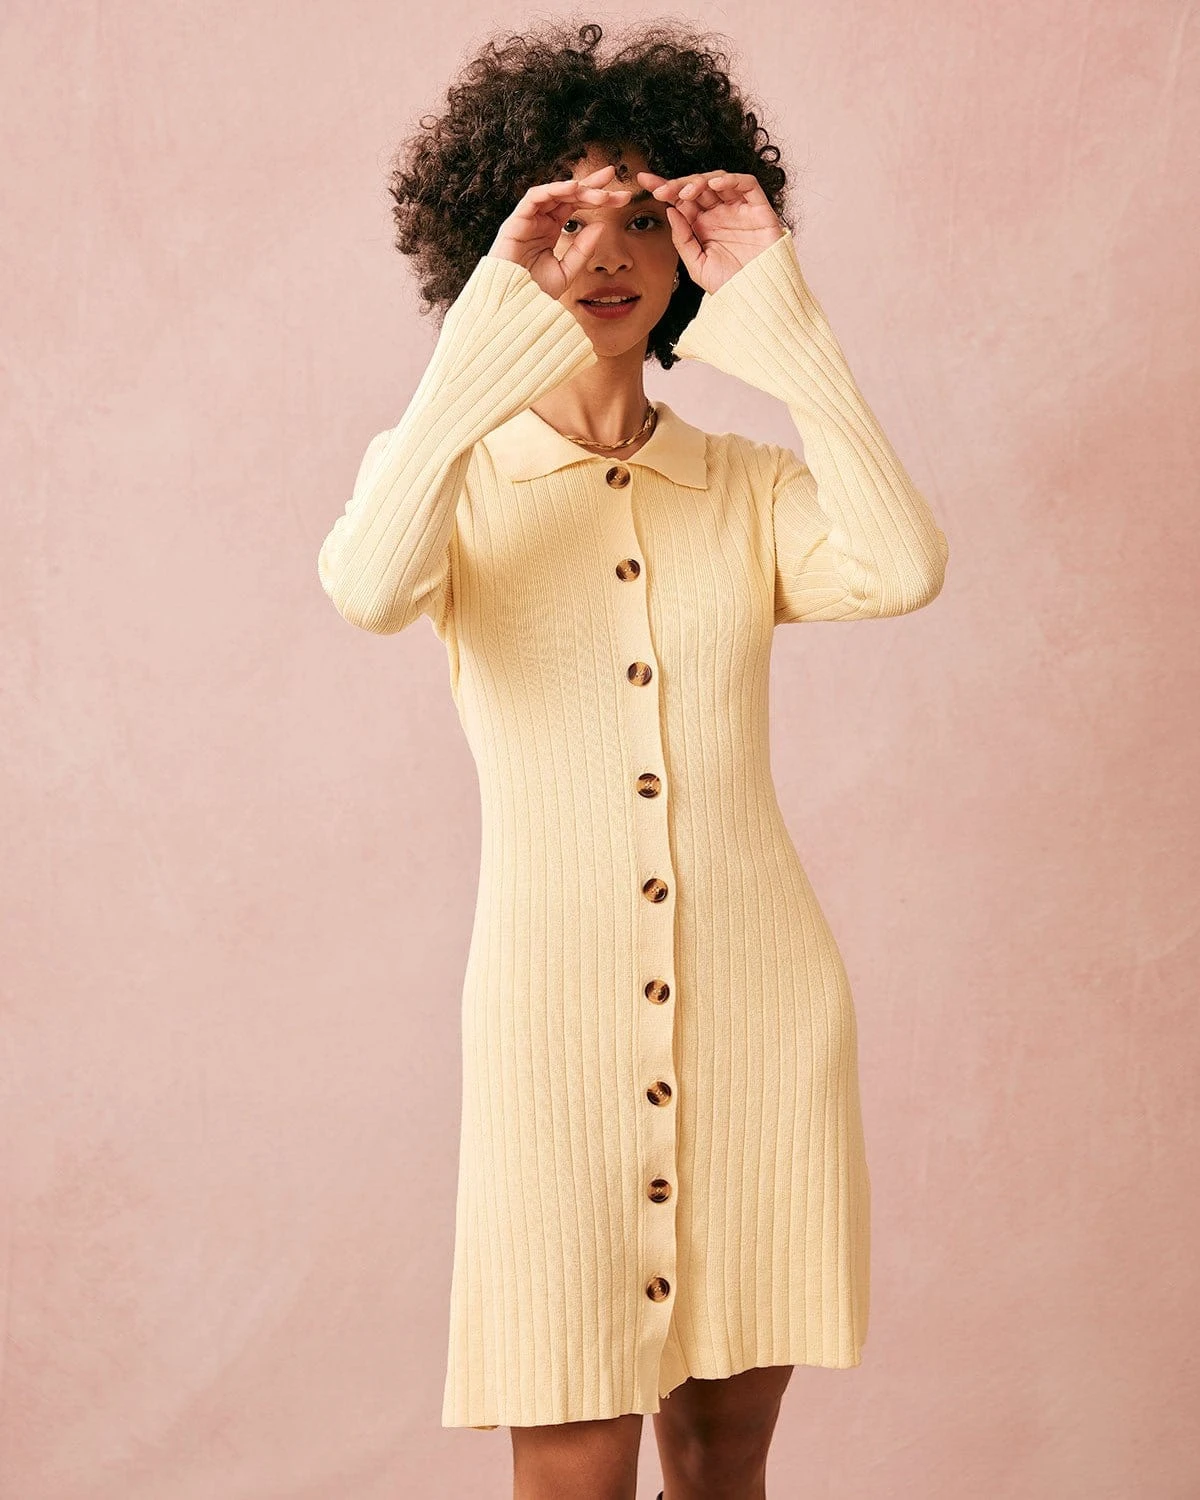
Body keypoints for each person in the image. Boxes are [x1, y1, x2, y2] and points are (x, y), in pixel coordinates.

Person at [317, 19, 948, 1500]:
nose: (607, 252)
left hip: (761, 1019)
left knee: (725, 1473)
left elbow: (904, 562)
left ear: (688, 252)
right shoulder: (443, 480)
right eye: (564, 217)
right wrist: (483, 341)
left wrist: (786, 320)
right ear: (495, 250)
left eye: (644, 214)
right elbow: (367, 589)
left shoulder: (746, 490)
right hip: (552, 1033)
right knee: (572, 1473)